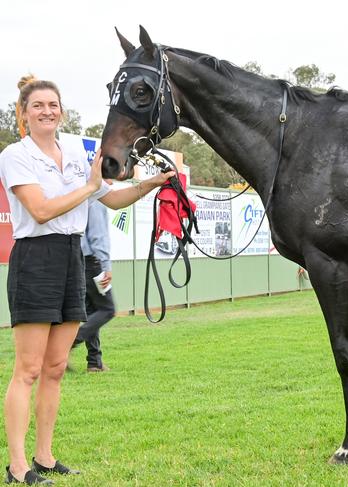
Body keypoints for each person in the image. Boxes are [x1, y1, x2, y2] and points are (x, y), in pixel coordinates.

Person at [0, 74, 175, 484]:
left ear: (61, 111)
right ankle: (17, 464)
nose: (47, 111)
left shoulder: (77, 151)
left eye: (53, 104)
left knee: (57, 366)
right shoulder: (15, 155)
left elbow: (111, 198)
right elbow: (41, 210)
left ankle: (44, 457)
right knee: (27, 369)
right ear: (23, 114)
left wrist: (148, 185)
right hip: (35, 258)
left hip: (72, 257)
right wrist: (93, 186)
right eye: (38, 105)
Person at [72, 196, 115, 373]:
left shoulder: (83, 196)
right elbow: (97, 236)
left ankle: (94, 362)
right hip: (92, 262)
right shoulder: (96, 200)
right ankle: (69, 342)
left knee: (92, 311)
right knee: (107, 309)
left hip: (79, 260)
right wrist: (105, 265)